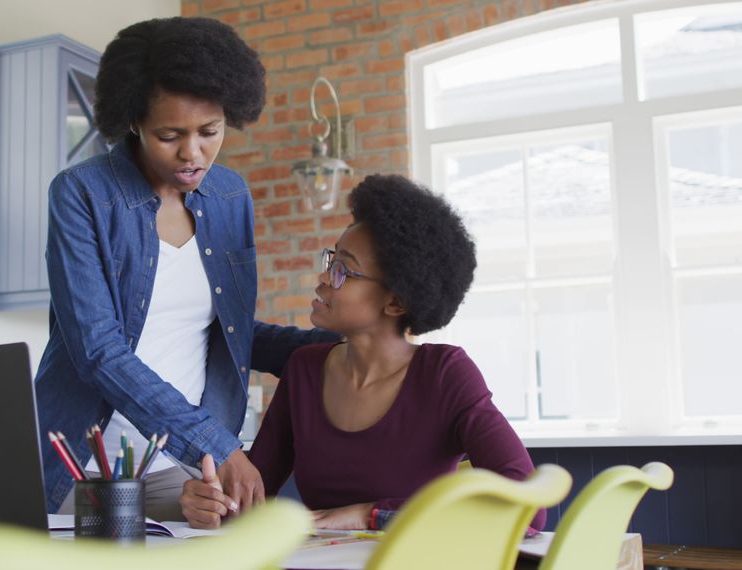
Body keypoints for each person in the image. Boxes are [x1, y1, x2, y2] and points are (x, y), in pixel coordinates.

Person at [34, 16, 335, 521]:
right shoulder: (82, 193)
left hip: (184, 471)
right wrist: (217, 443)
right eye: (169, 135)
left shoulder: (230, 195)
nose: (193, 154)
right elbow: (98, 351)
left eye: (209, 132)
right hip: (87, 465)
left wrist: (336, 349)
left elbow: (228, 332)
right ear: (133, 121)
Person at [180, 174, 545, 531]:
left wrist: (371, 514)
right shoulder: (304, 370)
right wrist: (214, 504)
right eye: (330, 262)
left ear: (396, 301)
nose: (323, 279)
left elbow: (526, 506)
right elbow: (251, 498)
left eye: (343, 271)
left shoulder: (445, 374)